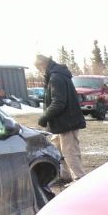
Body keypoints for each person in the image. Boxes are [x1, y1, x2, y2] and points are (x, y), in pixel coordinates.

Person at [33, 54, 87, 182]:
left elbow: (59, 102)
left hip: (66, 123)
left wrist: (45, 117)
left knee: (69, 152)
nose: (39, 72)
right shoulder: (55, 75)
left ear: (42, 65)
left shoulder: (56, 77)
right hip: (60, 123)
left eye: (39, 69)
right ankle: (65, 176)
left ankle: (80, 179)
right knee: (57, 150)